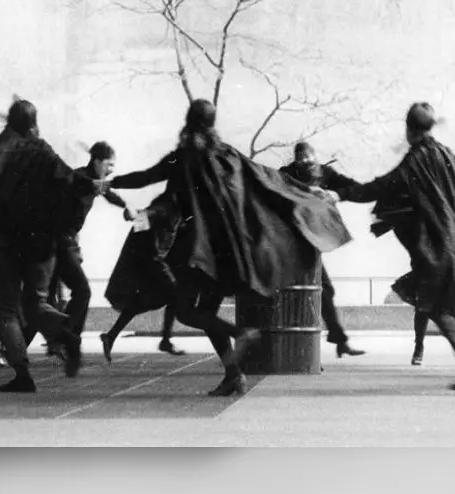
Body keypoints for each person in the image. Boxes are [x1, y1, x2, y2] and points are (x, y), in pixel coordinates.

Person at [107, 99, 352, 396]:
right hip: (230, 255)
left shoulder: (183, 157)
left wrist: (111, 183)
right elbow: (268, 178)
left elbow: (146, 177)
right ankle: (233, 375)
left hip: (200, 254)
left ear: (189, 122)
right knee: (207, 313)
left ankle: (240, 334)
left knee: (186, 312)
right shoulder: (229, 155)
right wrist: (306, 191)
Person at [329, 103, 455, 394]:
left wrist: (340, 194)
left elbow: (380, 187)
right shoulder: (444, 154)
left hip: (442, 248)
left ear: (410, 130)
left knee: (432, 303)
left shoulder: (417, 159)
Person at [0, 97, 88, 392]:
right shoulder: (42, 151)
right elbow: (71, 182)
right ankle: (66, 332)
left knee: (5, 309)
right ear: (33, 123)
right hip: (39, 241)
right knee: (36, 303)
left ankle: (23, 375)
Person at [45, 141, 135, 358]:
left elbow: (107, 193)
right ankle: (63, 339)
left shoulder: (88, 180)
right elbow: (100, 188)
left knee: (52, 296)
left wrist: (124, 205)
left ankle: (58, 341)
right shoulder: (80, 178)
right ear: (97, 162)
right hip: (58, 241)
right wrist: (127, 206)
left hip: (63, 241)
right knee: (81, 291)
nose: (111, 169)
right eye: (109, 164)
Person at [280, 142, 365, 358]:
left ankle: (337, 341)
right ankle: (310, 350)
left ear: (315, 156)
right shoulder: (286, 174)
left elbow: (355, 188)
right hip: (292, 241)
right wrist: (306, 191)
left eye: (308, 156)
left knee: (324, 290)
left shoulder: (325, 173)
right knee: (315, 292)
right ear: (295, 159)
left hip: (314, 239)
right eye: (301, 157)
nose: (305, 161)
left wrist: (334, 193)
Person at [100, 191, 188, 362]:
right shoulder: (165, 209)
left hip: (147, 262)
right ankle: (165, 341)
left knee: (149, 300)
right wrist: (134, 215)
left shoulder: (177, 213)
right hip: (150, 261)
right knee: (174, 292)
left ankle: (111, 336)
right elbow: (145, 215)